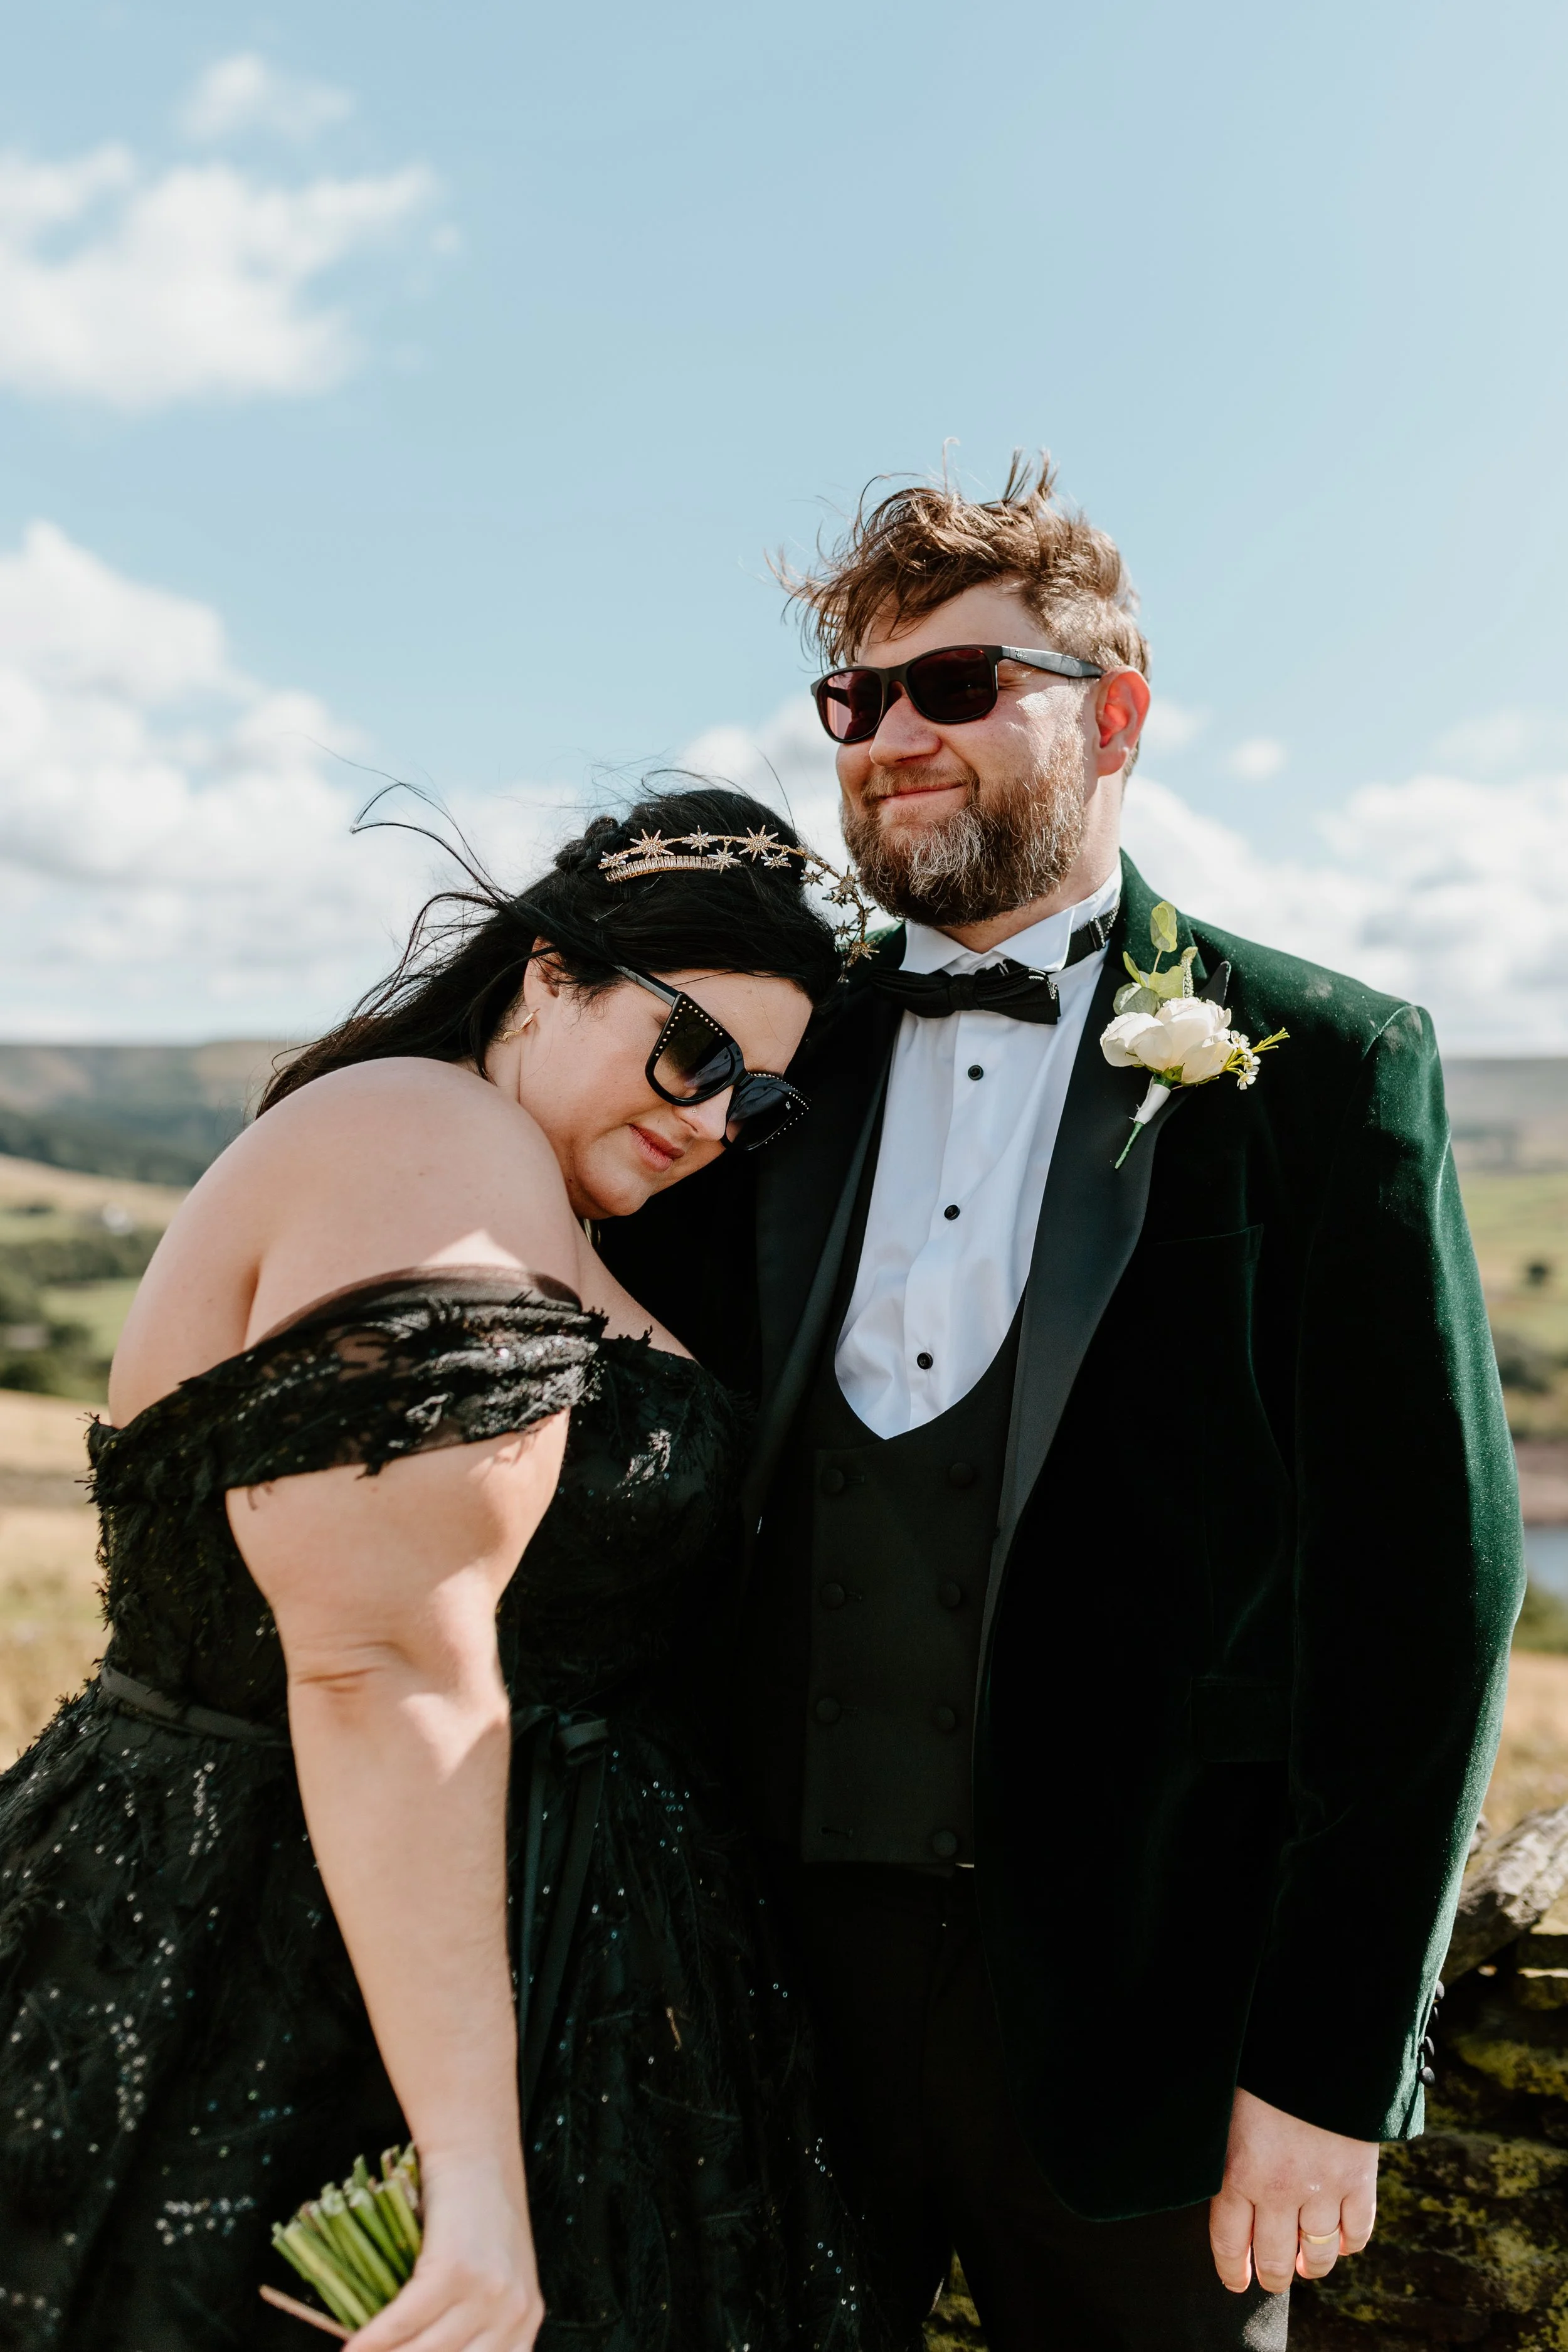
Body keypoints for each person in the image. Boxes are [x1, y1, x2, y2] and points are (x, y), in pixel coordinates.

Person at [596, 459, 1526, 2351]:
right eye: (855, 700)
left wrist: (1330, 2066)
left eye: (953, 686)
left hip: (1149, 2054)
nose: (888, 738)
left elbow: (1418, 1607)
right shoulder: (762, 1066)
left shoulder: (1328, 1072)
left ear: (1112, 716)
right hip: (768, 2023)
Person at [0, 784, 897, 2352]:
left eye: (758, 1105)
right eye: (692, 1053)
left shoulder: (546, 1202)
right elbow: (380, 1659)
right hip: (276, 1963)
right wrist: (476, 2186)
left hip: (554, 1984)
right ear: (548, 973)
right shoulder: (422, 1133)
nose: (708, 1121)